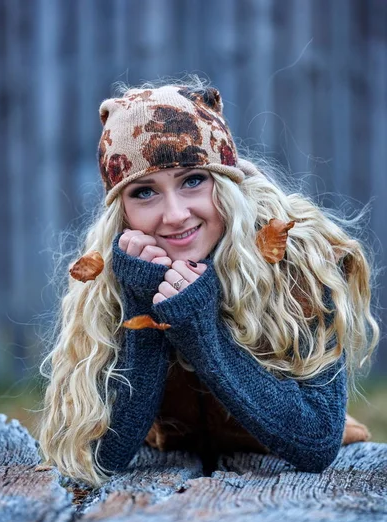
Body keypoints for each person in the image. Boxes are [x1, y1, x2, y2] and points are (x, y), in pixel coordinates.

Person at [38, 77, 379, 488]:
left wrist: (201, 330)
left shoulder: (300, 257)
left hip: (288, 489)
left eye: (193, 180)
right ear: (121, 210)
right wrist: (143, 305)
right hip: (169, 492)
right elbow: (100, 457)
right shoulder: (115, 277)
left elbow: (317, 442)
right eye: (144, 192)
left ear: (225, 182)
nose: (175, 214)